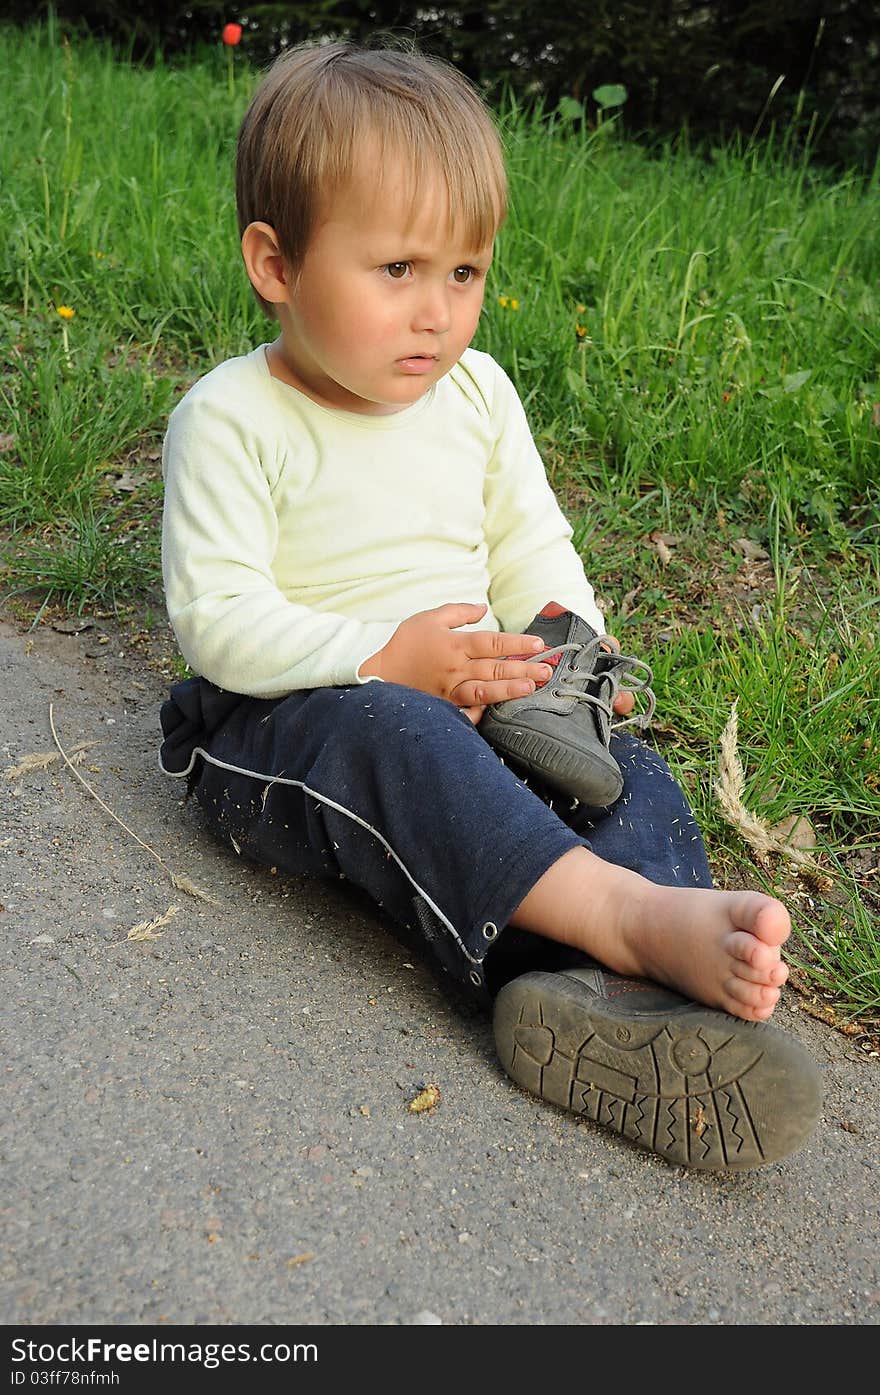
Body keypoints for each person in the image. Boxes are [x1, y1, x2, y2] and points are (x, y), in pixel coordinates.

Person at [158, 39, 821, 1171]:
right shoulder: (230, 420)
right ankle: (615, 935)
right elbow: (218, 620)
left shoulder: (475, 392)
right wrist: (387, 657)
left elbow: (529, 537)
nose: (436, 313)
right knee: (406, 742)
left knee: (618, 767)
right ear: (275, 263)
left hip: (470, 690)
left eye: (463, 274)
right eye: (398, 270)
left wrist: (565, 636)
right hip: (290, 719)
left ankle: (616, 983)